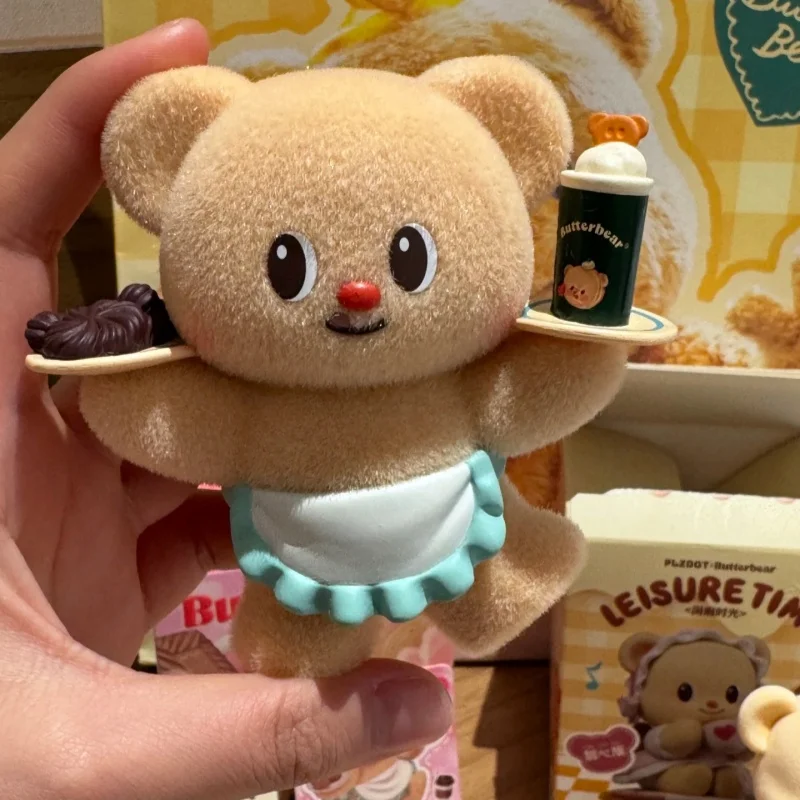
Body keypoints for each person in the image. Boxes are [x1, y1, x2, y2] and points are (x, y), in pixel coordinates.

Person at [0, 19, 451, 799]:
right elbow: (162, 423)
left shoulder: (453, 383)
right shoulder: (241, 397)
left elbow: (524, 399)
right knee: (296, 644)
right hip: (297, 553)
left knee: (494, 583)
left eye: (407, 257)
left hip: (448, 527)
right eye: (289, 264)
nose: (358, 291)